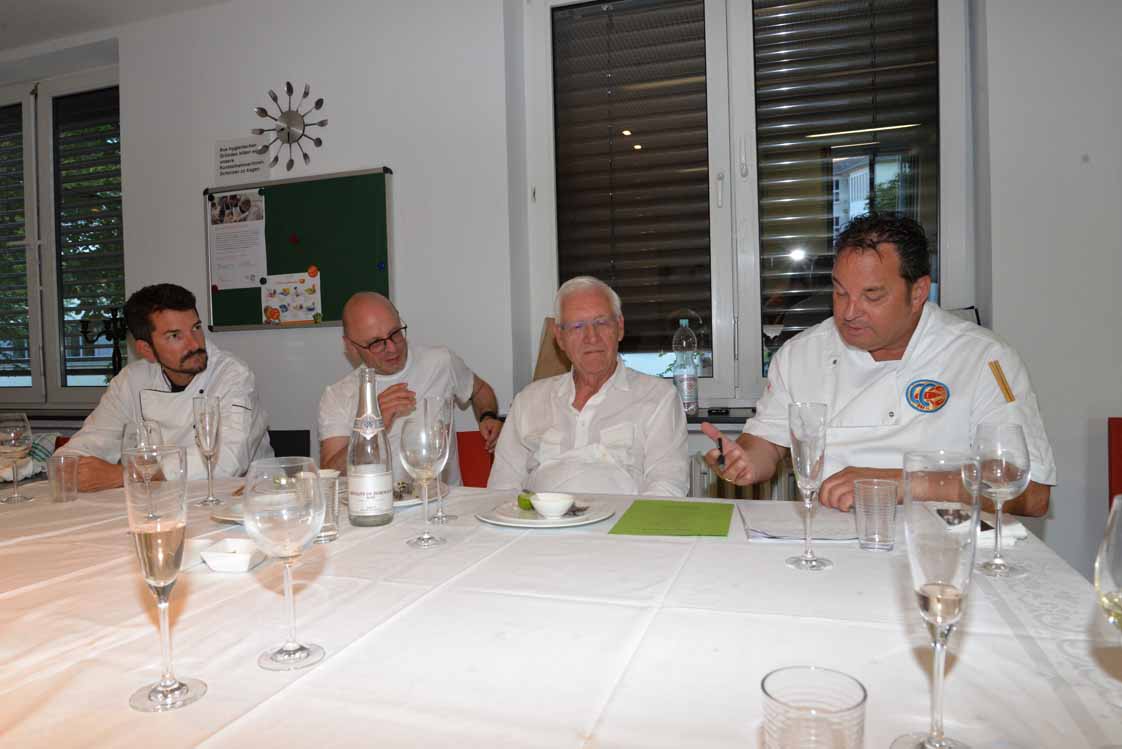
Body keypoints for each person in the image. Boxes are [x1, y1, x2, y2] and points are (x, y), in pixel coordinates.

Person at [702, 213, 1056, 515]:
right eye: (840, 292)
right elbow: (765, 445)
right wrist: (744, 461)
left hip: (947, 547)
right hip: (831, 545)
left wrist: (904, 484)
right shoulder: (801, 355)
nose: (849, 311)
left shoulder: (982, 358)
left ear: (918, 292)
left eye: (872, 296)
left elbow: (1033, 494)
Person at [59, 283, 273, 491]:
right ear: (146, 350)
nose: (195, 344)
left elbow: (228, 460)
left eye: (196, 328)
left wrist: (126, 475)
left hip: (239, 497)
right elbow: (88, 443)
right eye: (175, 336)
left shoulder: (232, 374)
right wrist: (71, 466)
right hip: (159, 498)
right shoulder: (130, 381)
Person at [489, 276, 689, 496]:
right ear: (560, 338)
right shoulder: (528, 402)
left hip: (626, 518)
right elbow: (501, 491)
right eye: (577, 326)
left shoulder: (658, 398)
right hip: (539, 519)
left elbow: (667, 488)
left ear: (620, 327)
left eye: (601, 323)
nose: (591, 337)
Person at [318, 292, 502, 485]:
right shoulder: (337, 396)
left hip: (442, 500)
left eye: (395, 333)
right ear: (351, 346)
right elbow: (332, 473)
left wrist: (487, 416)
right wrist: (372, 426)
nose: (392, 348)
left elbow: (480, 390)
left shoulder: (440, 362)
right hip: (374, 500)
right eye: (376, 343)